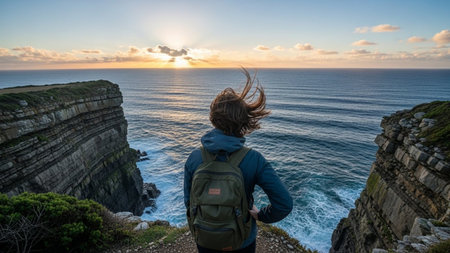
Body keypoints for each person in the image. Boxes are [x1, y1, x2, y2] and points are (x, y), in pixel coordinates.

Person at [184, 68, 293, 253]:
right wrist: (261, 215)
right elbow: (284, 204)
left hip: (205, 237)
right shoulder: (254, 159)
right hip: (241, 240)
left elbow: (189, 202)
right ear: (244, 123)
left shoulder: (194, 158)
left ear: (213, 119)